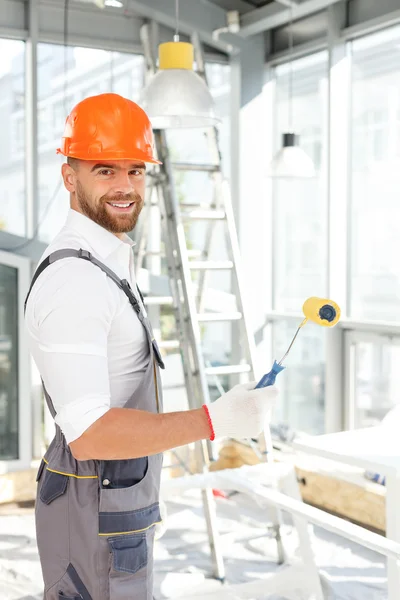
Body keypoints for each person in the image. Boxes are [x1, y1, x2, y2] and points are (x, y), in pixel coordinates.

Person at [24, 92, 278, 600]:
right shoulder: (76, 282)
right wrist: (214, 420)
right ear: (69, 176)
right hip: (93, 506)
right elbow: (92, 434)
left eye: (135, 170)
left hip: (115, 503)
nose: (125, 186)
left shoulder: (108, 260)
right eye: (104, 170)